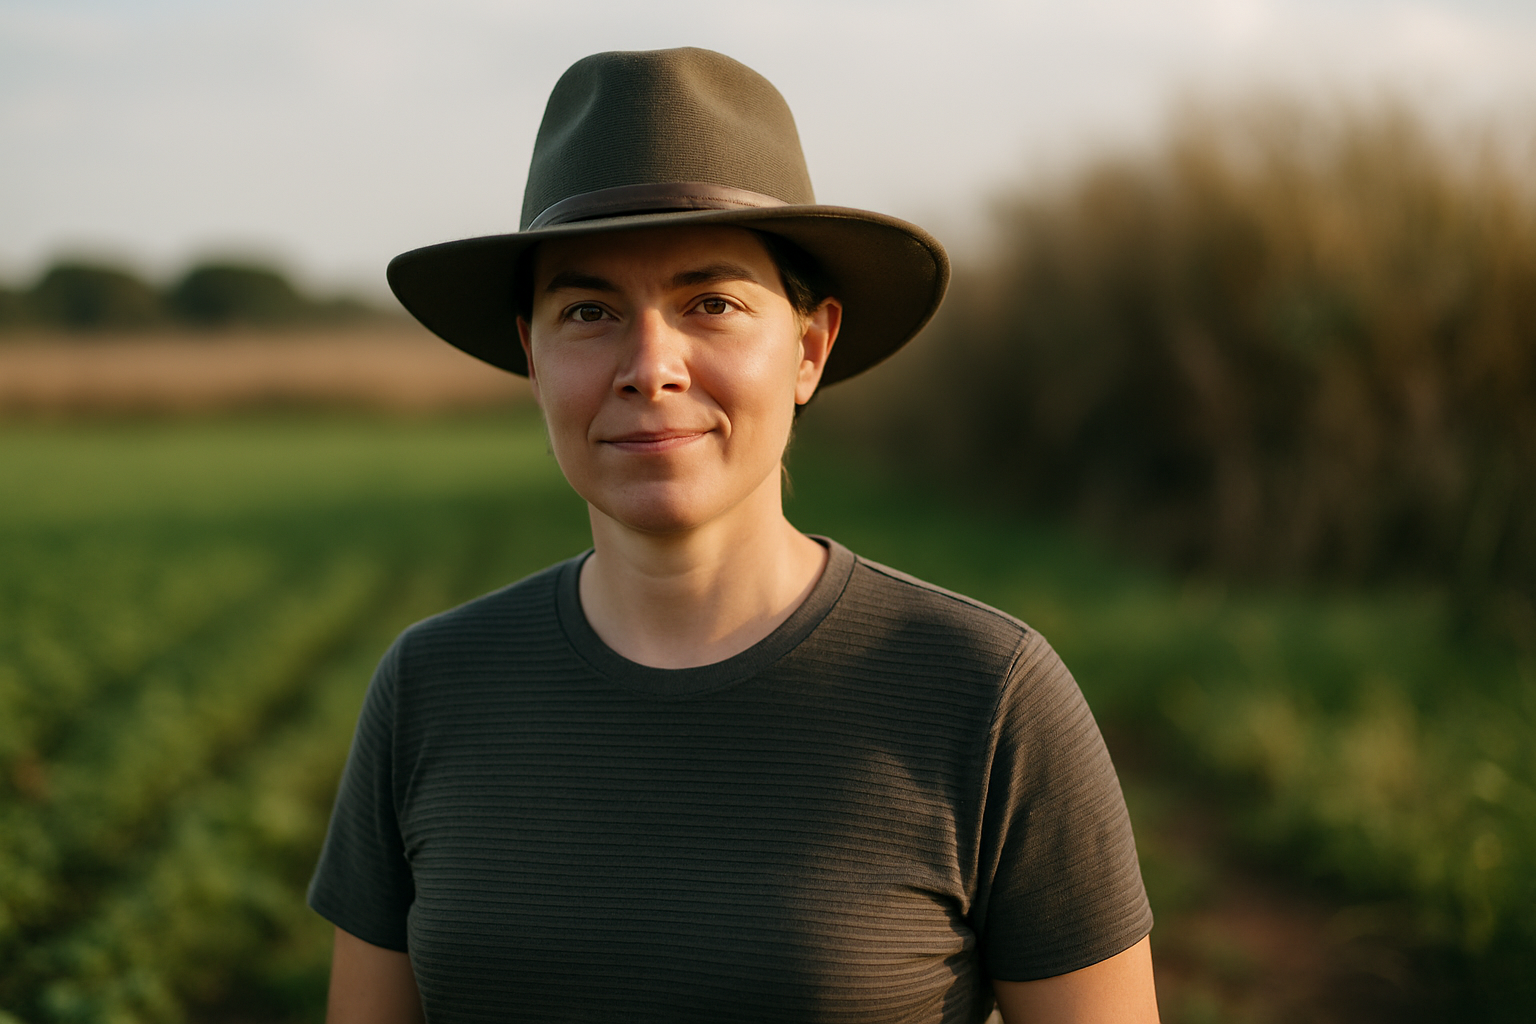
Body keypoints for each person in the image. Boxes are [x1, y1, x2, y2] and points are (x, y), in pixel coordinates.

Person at [308, 47, 1158, 1023]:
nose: (649, 366)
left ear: (808, 348)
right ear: (531, 357)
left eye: (710, 302)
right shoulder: (430, 690)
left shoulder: (986, 696)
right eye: (588, 311)